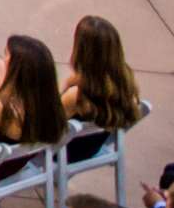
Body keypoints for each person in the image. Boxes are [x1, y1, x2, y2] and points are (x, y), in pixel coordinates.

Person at [61, 14, 145, 162]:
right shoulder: (125, 87)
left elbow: (46, 128)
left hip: (62, 153)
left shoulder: (77, 95)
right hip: (91, 149)